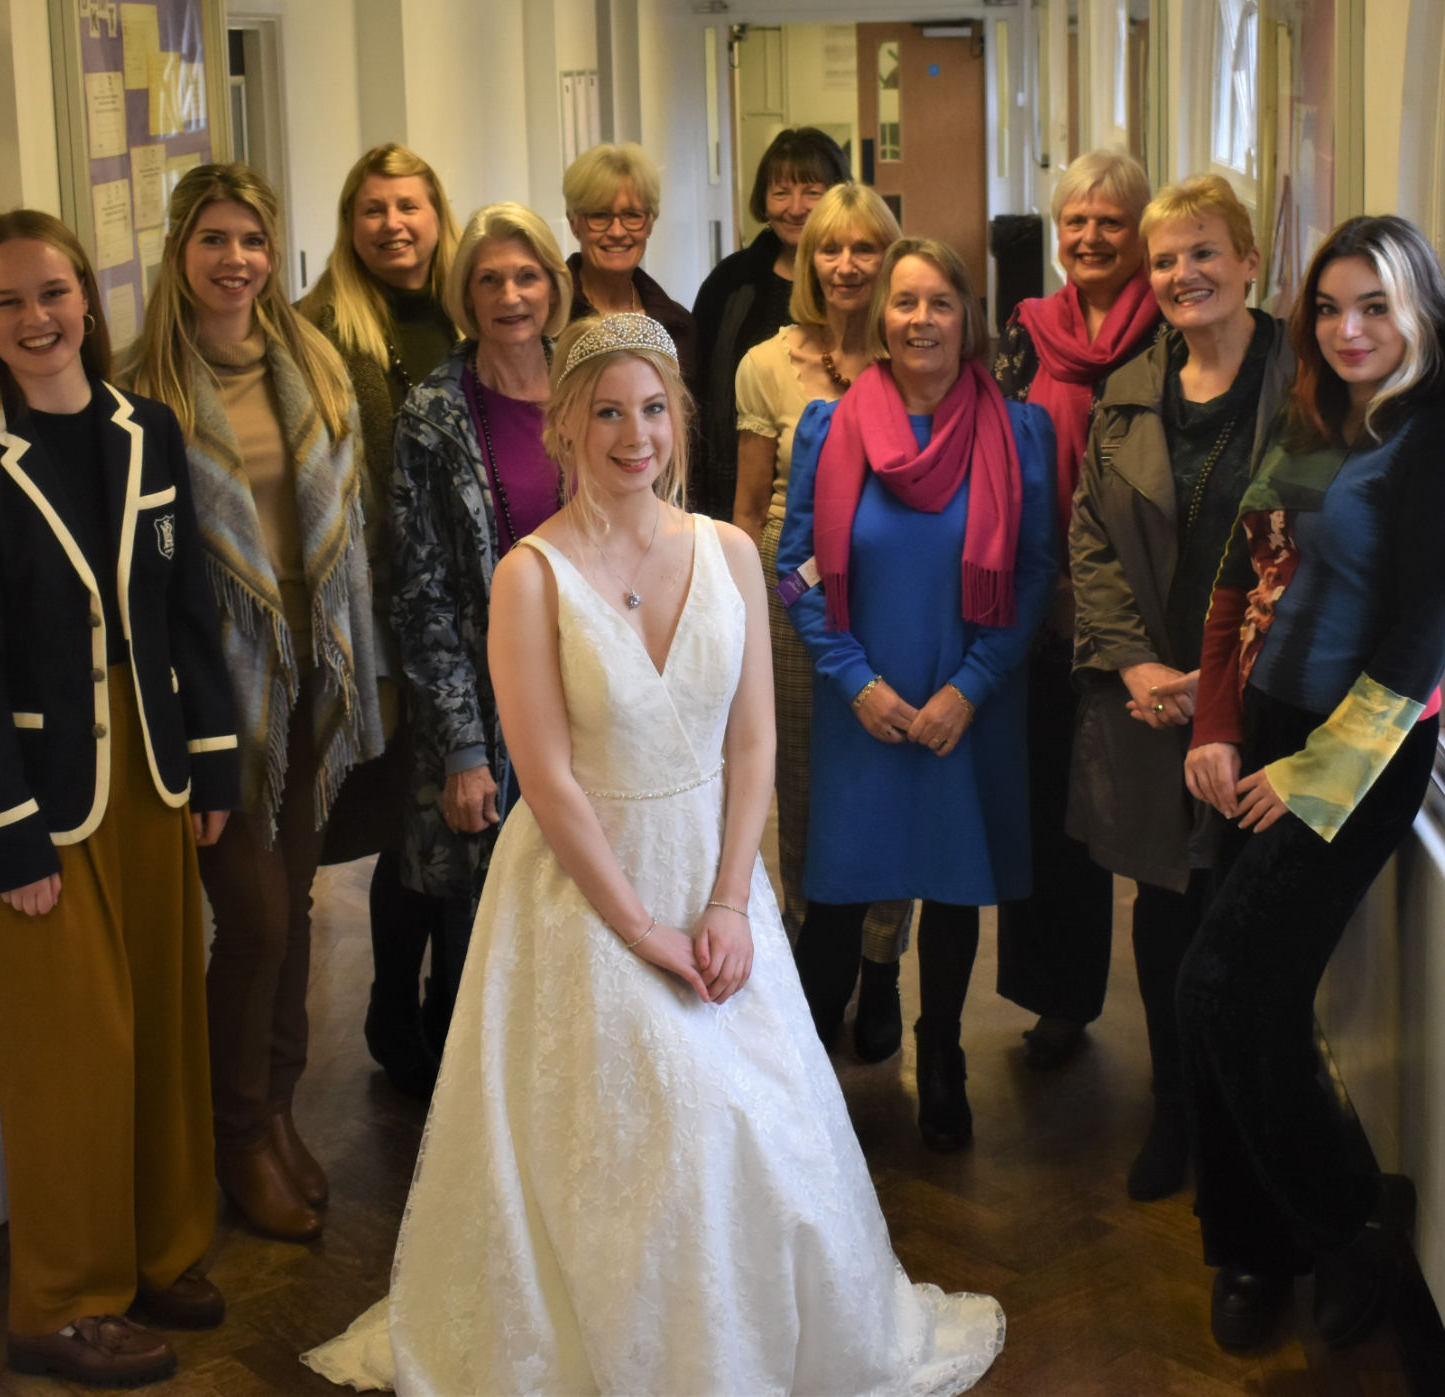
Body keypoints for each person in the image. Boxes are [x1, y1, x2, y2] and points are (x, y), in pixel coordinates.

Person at [302, 313, 1006, 1393]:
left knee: (756, 1128)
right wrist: (640, 927)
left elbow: (755, 736)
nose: (635, 435)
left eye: (654, 410)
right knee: (643, 1133)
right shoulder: (531, 577)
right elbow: (546, 776)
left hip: (712, 870)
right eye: (608, 412)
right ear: (565, 428)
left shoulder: (725, 548)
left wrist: (729, 900)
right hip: (586, 887)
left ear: (678, 421)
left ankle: (753, 1339)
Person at [0, 211, 239, 1386]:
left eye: (52, 292)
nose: (36, 318)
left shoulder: (146, 430)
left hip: (153, 773)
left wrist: (213, 759)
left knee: (162, 1018)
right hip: (41, 797)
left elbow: (185, 607)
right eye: (7, 302)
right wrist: (6, 832)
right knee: (73, 1050)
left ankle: (163, 1249)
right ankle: (61, 1297)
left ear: (87, 300)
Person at [1178, 215, 1445, 1350]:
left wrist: (1310, 775)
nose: (1349, 329)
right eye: (1330, 307)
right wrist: (1215, 726)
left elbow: (1415, 644)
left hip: (1358, 754)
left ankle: (1353, 1219)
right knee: (1224, 993)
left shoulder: (1436, 440)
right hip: (1260, 730)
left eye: (1376, 307)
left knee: (1222, 987)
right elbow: (1232, 579)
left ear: (1418, 313)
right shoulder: (1310, 417)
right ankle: (1250, 1245)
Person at [124, 163, 385, 1244]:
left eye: (253, 241)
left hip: (311, 672)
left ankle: (277, 1112)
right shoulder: (145, 389)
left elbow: (346, 532)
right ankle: (235, 1132)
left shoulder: (313, 361)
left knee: (300, 906)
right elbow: (147, 572)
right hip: (217, 688)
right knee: (259, 916)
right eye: (214, 240)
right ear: (180, 253)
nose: (236, 261)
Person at [779, 241, 1057, 1150]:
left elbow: (1035, 575)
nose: (922, 321)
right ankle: (806, 1070)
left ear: (968, 316)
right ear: (880, 318)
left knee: (951, 888)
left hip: (964, 707)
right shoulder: (829, 428)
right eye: (905, 304)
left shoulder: (1020, 434)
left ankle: (942, 1052)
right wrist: (854, 680)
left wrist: (968, 690)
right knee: (841, 891)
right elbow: (794, 576)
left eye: (940, 302)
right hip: (861, 704)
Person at [1065, 176, 1293, 1201]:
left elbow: (1326, 548)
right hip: (1154, 697)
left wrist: (1233, 676)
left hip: (1271, 697)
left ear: (1249, 261)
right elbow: (1092, 538)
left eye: (1204, 252)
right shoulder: (1126, 392)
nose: (1183, 274)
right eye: (1165, 260)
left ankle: (1242, 1120)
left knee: (1241, 923)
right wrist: (1135, 661)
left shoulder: (1307, 384)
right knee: (1161, 911)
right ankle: (1176, 1109)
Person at [381, 202, 572, 1092]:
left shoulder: (590, 387)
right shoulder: (431, 414)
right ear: (465, 293)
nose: (510, 294)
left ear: (552, 286)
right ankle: (478, 1129)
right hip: (487, 713)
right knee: (483, 927)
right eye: (490, 279)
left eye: (526, 275)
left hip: (592, 700)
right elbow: (418, 596)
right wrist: (462, 751)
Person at [731, 182, 913, 1062]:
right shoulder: (767, 364)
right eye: (830, 250)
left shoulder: (918, 349)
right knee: (801, 784)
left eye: (866, 248)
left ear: (890, 257)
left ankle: (883, 965)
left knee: (890, 780)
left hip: (899, 589)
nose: (846, 265)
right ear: (809, 261)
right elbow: (747, 503)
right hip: (794, 599)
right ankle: (814, 962)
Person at [298, 143, 462, 1095]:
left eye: (409, 205)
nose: (393, 224)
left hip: (476, 605)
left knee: (463, 814)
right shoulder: (319, 328)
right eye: (372, 209)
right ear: (350, 223)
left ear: (437, 212)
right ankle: (395, 1008)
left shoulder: (472, 305)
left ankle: (454, 1005)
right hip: (379, 616)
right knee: (408, 815)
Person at [993, 149, 1162, 1069]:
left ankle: (1171, 1027)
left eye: (1112, 221)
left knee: (1131, 807)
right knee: (1050, 802)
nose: (1092, 236)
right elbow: (996, 444)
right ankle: (1056, 998)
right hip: (1036, 598)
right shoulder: (1027, 329)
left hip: (1138, 606)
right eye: (1077, 221)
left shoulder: (1164, 329)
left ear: (1140, 234)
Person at [689, 126, 851, 516]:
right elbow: (698, 394)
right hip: (736, 493)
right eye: (781, 193)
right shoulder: (729, 284)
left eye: (812, 191)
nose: (796, 208)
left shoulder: (856, 280)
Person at [561, 141, 696, 370]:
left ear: (650, 223)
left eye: (632, 215)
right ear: (574, 223)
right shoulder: (548, 317)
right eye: (600, 215)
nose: (617, 232)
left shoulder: (677, 328)